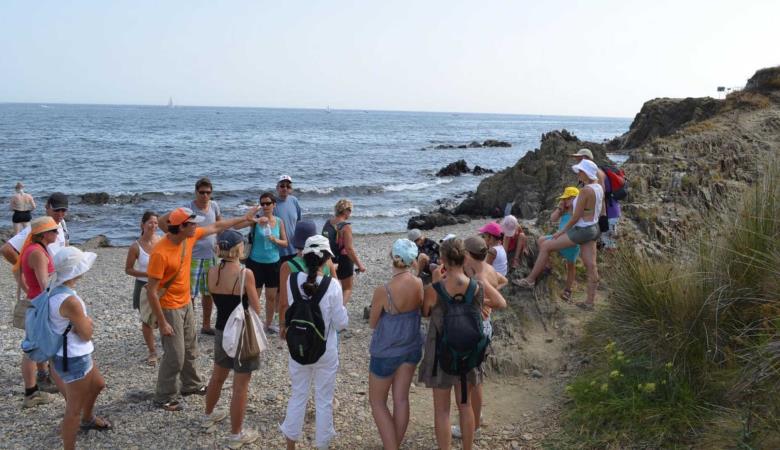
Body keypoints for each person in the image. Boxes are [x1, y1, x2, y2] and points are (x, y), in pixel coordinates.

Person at [148, 205, 260, 411]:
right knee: (175, 355)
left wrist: (244, 218)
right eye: (192, 223)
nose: (197, 227)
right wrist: (162, 322)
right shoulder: (160, 253)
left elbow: (217, 226)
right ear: (182, 227)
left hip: (185, 302)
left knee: (191, 347)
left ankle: (191, 385)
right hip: (169, 307)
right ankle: (163, 396)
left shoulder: (188, 238)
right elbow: (151, 291)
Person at [419, 238, 506, 450]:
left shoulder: (434, 289)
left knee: (442, 411)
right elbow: (499, 302)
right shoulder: (476, 286)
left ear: (443, 259)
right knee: (465, 405)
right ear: (464, 257)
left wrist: (435, 280)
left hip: (441, 353)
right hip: (467, 353)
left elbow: (425, 312)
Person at [280, 235, 348, 450]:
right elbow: (341, 323)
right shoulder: (333, 285)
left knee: (298, 395)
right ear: (327, 259)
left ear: (304, 255)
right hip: (325, 349)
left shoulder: (292, 280)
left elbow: (288, 307)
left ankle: (290, 445)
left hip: (298, 346)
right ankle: (322, 445)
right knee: (324, 400)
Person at [515, 160, 604, 310]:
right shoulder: (599, 187)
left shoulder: (585, 191)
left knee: (546, 246)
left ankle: (530, 280)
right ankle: (590, 303)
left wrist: (561, 232)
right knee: (591, 266)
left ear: (586, 173)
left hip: (582, 230)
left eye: (580, 171)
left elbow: (575, 217)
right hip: (594, 228)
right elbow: (596, 209)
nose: (578, 174)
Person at [202, 230, 261, 448]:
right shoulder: (245, 273)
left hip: (221, 328)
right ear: (238, 248)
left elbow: (215, 298)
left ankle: (208, 415)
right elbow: (256, 307)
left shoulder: (212, 271)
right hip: (241, 331)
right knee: (240, 386)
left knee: (217, 376)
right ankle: (236, 435)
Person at [48, 246, 110, 450]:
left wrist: (81, 322)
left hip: (67, 352)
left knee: (99, 384)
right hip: (74, 356)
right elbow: (86, 334)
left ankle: (88, 417)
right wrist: (87, 322)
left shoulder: (54, 290)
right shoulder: (71, 301)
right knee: (73, 410)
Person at [368, 239, 424, 450]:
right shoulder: (418, 283)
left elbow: (373, 323)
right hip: (411, 347)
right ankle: (393, 445)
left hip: (386, 351)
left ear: (392, 256)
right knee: (401, 399)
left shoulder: (384, 290)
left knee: (377, 402)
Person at [454, 236, 508, 439]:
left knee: (469, 381)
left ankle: (471, 425)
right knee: (476, 378)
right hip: (485, 327)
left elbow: (501, 302)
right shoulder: (488, 268)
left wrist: (481, 302)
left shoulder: (479, 277)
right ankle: (477, 417)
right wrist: (484, 299)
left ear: (468, 254)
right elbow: (504, 281)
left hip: (476, 330)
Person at [13, 216, 62, 407]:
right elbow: (44, 284)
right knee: (32, 349)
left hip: (35, 301)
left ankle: (39, 382)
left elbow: (19, 273)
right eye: (54, 231)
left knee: (36, 345)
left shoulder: (34, 249)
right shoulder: (37, 253)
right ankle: (31, 393)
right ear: (43, 234)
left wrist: (29, 291)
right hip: (40, 303)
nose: (57, 233)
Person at [238, 192, 288, 334]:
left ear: (274, 205)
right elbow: (237, 226)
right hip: (256, 262)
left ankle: (269, 324)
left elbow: (285, 243)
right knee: (255, 296)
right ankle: (252, 323)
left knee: (271, 297)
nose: (265, 206)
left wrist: (275, 240)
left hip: (273, 263)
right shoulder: (256, 221)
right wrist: (254, 217)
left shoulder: (279, 221)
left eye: (268, 203)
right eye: (263, 204)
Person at [277, 220, 337, 333]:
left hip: (299, 321)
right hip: (324, 321)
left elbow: (284, 302)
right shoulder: (327, 260)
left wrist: (282, 324)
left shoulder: (287, 266)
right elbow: (336, 292)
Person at [124, 211, 161, 365]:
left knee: (166, 316)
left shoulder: (162, 241)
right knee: (147, 320)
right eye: (150, 222)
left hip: (161, 285)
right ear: (142, 225)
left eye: (156, 223)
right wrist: (147, 274)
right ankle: (152, 351)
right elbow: (128, 269)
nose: (153, 226)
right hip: (143, 286)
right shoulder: (135, 246)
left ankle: (170, 347)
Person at [188, 177, 222, 335]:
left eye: (208, 192)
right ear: (196, 192)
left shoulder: (214, 206)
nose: (205, 195)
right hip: (193, 258)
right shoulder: (188, 208)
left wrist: (220, 242)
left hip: (211, 257)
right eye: (201, 192)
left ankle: (206, 326)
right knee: (190, 295)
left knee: (208, 293)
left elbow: (219, 225)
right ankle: (188, 327)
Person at [2, 192, 69, 266]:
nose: (60, 213)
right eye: (56, 210)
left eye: (63, 210)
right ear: (47, 206)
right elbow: (6, 249)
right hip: (47, 272)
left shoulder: (62, 222)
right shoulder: (39, 227)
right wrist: (23, 268)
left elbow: (64, 244)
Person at [322, 199, 365, 305]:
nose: (350, 214)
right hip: (344, 260)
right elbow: (349, 249)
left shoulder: (328, 223)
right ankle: (339, 310)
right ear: (346, 211)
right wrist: (360, 265)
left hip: (329, 260)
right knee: (347, 289)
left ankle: (330, 308)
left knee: (331, 287)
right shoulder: (345, 227)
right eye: (350, 211)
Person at [544, 187, 581, 302]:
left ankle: (568, 290)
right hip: (559, 239)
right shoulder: (564, 209)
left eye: (567, 198)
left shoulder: (578, 211)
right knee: (541, 241)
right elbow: (552, 219)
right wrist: (560, 207)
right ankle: (548, 265)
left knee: (571, 266)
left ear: (574, 198)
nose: (565, 200)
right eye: (564, 198)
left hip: (571, 241)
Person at [274, 175, 302, 264]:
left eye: (288, 186)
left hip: (294, 249)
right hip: (278, 251)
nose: (285, 188)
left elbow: (298, 223)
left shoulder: (294, 200)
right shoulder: (271, 203)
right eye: (282, 186)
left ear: (291, 189)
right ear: (277, 188)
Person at [600, 176, 622, 251]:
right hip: (614, 211)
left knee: (609, 243)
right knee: (610, 241)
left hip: (609, 213)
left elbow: (601, 196)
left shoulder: (602, 177)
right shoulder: (608, 177)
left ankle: (611, 255)